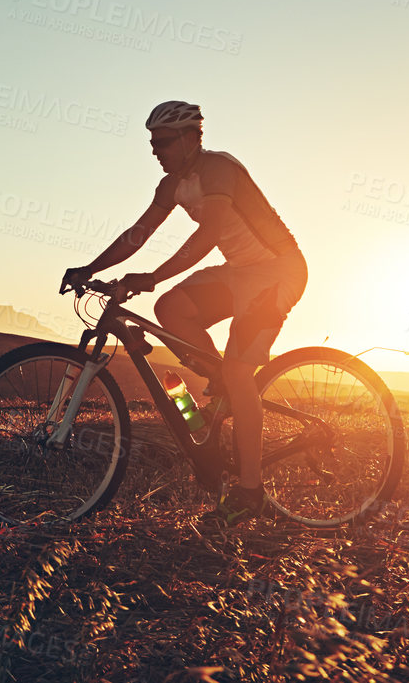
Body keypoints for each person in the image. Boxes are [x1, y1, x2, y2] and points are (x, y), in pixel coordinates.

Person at [62, 100, 306, 528]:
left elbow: (208, 232)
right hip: (238, 273)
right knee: (171, 309)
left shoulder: (218, 169)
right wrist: (91, 268)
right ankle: (221, 389)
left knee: (238, 370)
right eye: (152, 143)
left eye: (164, 142)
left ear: (193, 137)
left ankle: (251, 492)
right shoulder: (171, 184)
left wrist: (152, 275)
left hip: (278, 270)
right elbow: (136, 234)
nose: (156, 150)